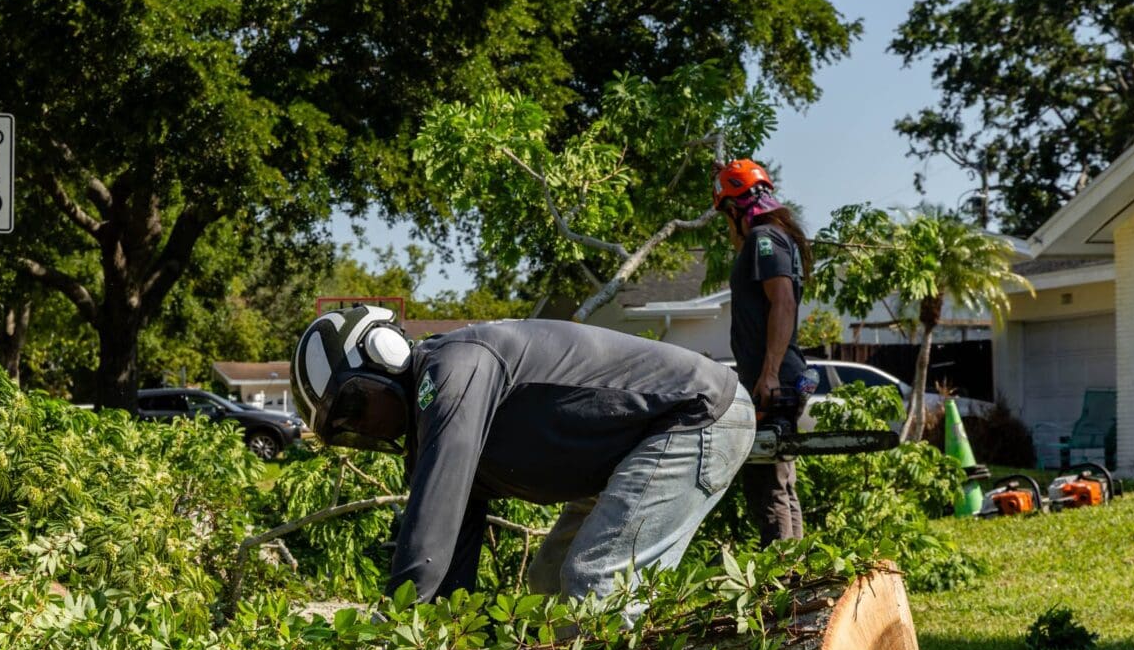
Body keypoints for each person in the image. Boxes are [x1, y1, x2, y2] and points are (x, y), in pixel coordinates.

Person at [290, 307, 754, 613]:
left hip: (695, 415)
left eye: (355, 406)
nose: (363, 426)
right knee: (548, 581)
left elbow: (428, 526)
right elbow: (448, 558)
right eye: (346, 429)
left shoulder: (454, 365)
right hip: (635, 450)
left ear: (381, 355)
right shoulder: (433, 425)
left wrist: (395, 624)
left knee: (595, 582)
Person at [714, 158, 815, 545]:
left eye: (726, 213)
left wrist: (769, 372)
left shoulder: (764, 239)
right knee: (780, 478)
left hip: (774, 378)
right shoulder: (776, 236)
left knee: (765, 482)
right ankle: (796, 572)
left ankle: (781, 580)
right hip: (779, 376)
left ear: (737, 208)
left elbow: (783, 303)